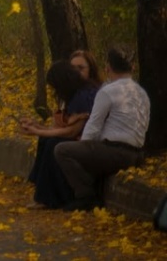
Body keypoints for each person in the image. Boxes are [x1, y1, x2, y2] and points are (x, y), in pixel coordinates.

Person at [54, 46, 150, 211]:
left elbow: (93, 126)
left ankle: (86, 196)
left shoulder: (108, 91)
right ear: (133, 67)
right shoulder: (141, 93)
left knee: (62, 150)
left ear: (107, 68)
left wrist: (82, 146)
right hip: (136, 153)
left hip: (114, 152)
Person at [19, 59, 99, 209]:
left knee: (53, 144)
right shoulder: (74, 95)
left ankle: (49, 197)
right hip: (78, 137)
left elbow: (72, 132)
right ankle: (41, 189)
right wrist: (37, 127)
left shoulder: (84, 96)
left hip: (87, 141)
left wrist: (37, 131)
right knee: (45, 140)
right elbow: (61, 126)